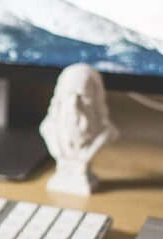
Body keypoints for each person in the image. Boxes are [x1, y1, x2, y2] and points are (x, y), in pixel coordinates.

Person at [40, 63, 118, 195]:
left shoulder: (106, 133)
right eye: (68, 94)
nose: (74, 105)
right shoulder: (48, 129)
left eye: (82, 96)